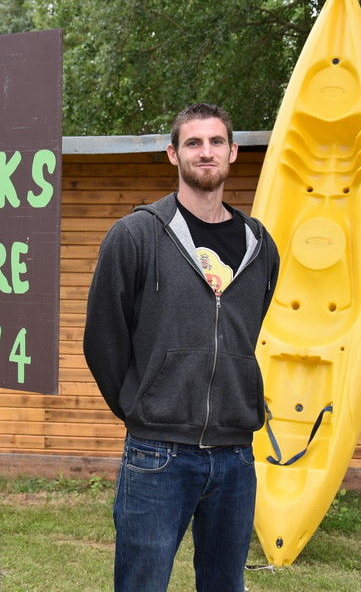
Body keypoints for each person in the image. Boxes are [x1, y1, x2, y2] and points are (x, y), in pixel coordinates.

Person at [83, 103, 280, 591]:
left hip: (235, 454)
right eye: (193, 143)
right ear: (173, 154)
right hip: (157, 453)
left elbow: (246, 330)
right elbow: (102, 340)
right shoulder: (135, 236)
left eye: (216, 142)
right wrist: (140, 404)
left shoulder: (260, 244)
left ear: (233, 152)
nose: (205, 152)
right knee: (142, 584)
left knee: (224, 584)